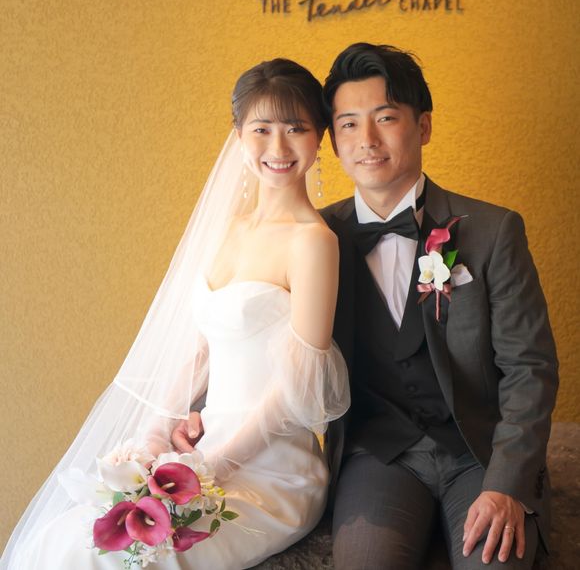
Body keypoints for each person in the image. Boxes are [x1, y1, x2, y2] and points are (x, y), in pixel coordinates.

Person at [0, 58, 350, 570]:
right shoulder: (228, 229)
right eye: (261, 129)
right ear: (238, 135)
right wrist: (156, 431)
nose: (278, 147)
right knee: (62, 541)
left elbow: (297, 390)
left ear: (318, 138)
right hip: (200, 451)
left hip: (274, 471)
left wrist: (214, 465)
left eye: (296, 128)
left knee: (129, 559)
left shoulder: (314, 242)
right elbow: (202, 348)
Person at [320, 43, 559, 570]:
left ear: (423, 126)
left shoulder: (493, 231)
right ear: (333, 140)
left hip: (480, 453)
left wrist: (506, 485)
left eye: (385, 118)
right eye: (349, 124)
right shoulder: (314, 239)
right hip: (378, 454)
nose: (367, 140)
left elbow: (530, 368)